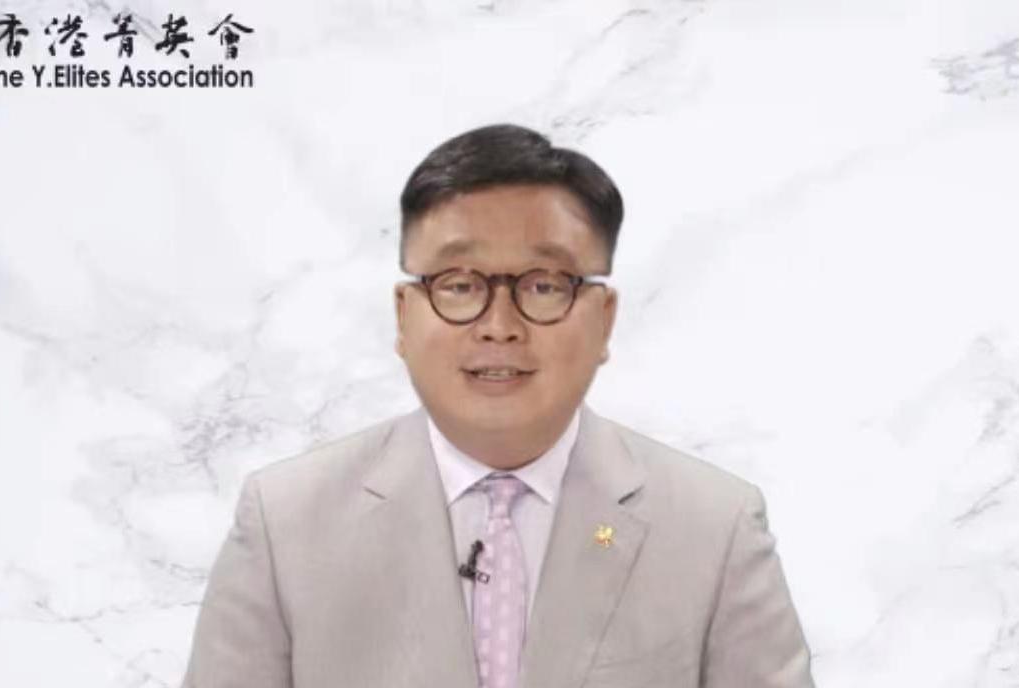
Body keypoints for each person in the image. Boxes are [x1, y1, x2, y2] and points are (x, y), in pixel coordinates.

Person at [180, 123, 815, 687]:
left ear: (603, 319)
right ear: (403, 316)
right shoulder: (286, 523)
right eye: (460, 285)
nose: (499, 326)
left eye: (544, 285)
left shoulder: (714, 528)